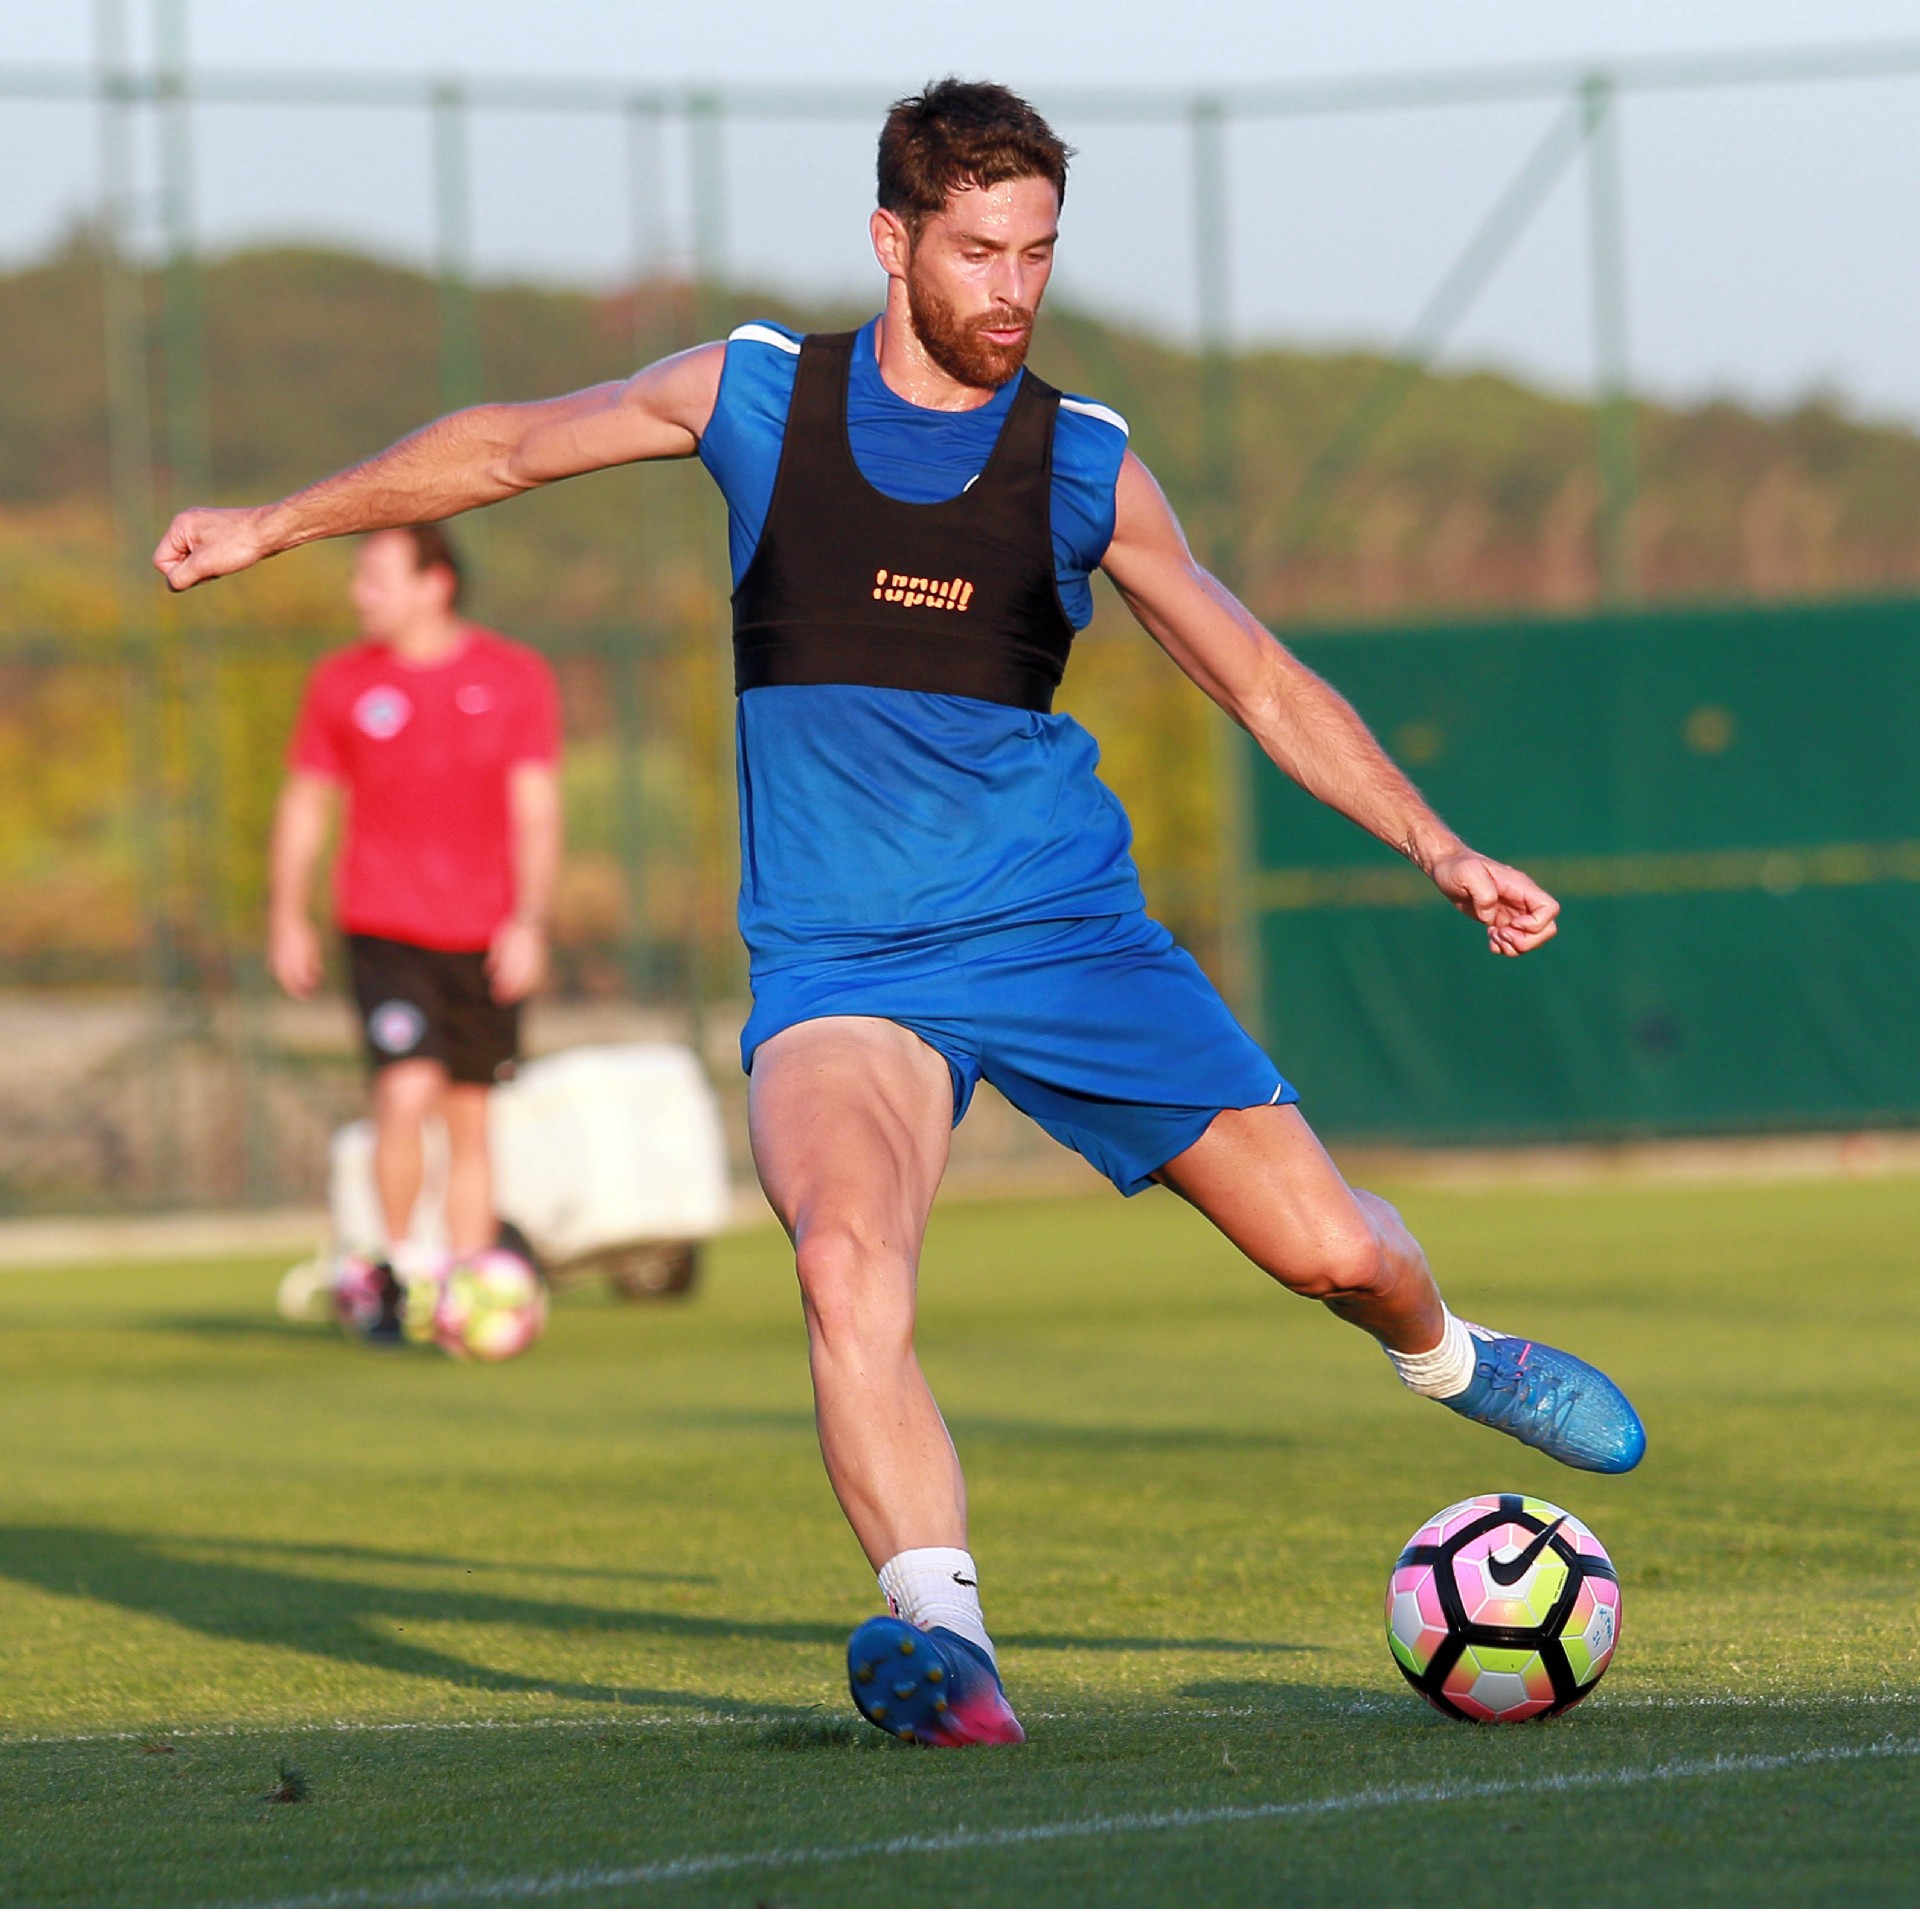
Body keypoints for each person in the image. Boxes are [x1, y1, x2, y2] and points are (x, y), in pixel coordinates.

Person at [157, 80, 1641, 1742]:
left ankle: (1451, 1354)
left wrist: (1440, 846)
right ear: (893, 238)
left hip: (1066, 940)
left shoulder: (1084, 462)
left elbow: (1259, 677)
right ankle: (949, 1643)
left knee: (1335, 1249)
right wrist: (275, 524)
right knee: (846, 1265)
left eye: (1038, 254)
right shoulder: (753, 395)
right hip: (845, 966)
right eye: (979, 250)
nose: (1013, 289)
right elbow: (502, 447)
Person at [269, 523, 562, 1340]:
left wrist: (531, 921)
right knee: (404, 1090)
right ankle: (397, 1276)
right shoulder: (341, 682)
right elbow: (306, 803)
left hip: (485, 934)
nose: (359, 593)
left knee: (470, 1115)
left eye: (376, 577)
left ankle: (466, 1290)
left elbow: (536, 810)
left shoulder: (514, 676)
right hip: (384, 926)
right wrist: (286, 913)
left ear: (436, 584)